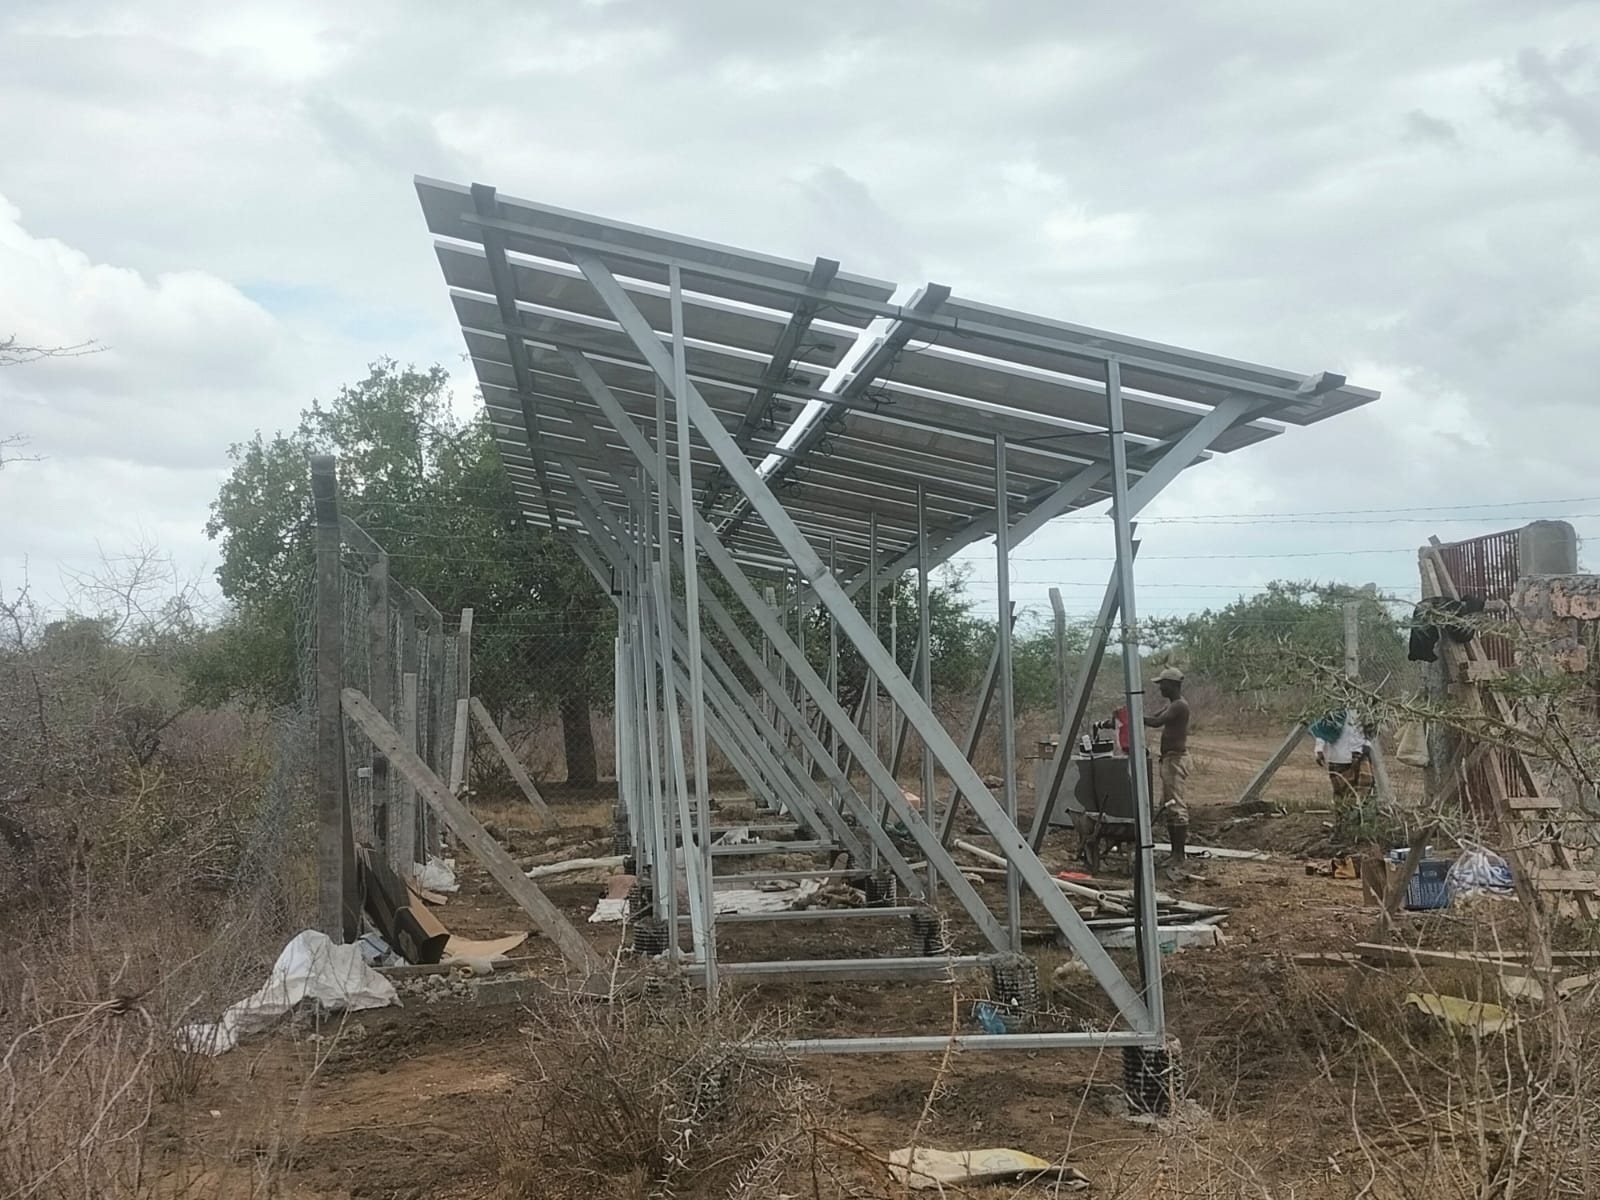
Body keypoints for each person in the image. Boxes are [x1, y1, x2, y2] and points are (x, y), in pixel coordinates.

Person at [1142, 666, 1191, 873]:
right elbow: (1153, 719)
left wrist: (1131, 716)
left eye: (1162, 684)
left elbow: (1154, 722)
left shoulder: (1179, 706)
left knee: (1176, 807)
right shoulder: (1173, 704)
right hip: (1170, 759)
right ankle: (1175, 854)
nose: (1160, 687)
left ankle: (1179, 856)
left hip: (1175, 760)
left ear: (1172, 685)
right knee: (1169, 805)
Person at [1313, 709, 1372, 804]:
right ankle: (1344, 814)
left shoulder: (1363, 706)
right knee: (1342, 791)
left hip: (1359, 751)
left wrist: (1367, 744)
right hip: (1338, 755)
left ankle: (1361, 812)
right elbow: (1323, 728)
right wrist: (1319, 749)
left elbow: (1371, 726)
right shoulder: (1334, 708)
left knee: (1365, 783)